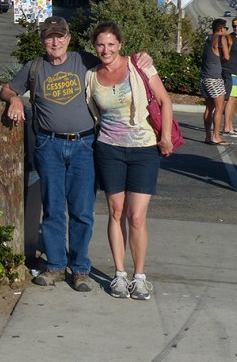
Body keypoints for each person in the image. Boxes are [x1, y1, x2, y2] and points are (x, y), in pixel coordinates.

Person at [0, 16, 152, 292]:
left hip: (84, 145)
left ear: (69, 38)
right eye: (49, 37)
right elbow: (7, 88)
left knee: (82, 211)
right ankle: (55, 265)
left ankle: (80, 269)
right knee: (53, 207)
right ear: (43, 40)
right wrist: (14, 99)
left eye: (60, 36)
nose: (55, 42)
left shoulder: (83, 61)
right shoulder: (34, 67)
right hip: (49, 145)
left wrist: (141, 57)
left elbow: (113, 57)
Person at [85, 21, 174, 300]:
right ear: (94, 46)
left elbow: (165, 101)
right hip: (109, 150)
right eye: (100, 44)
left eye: (111, 44)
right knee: (115, 213)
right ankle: (120, 275)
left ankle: (139, 276)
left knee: (136, 217)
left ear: (120, 45)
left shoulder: (140, 65)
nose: (106, 49)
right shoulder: (91, 75)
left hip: (144, 150)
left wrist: (166, 137)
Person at [200, 18, 230, 146]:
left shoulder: (208, 38)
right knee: (219, 107)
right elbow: (227, 57)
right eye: (225, 28)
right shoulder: (220, 38)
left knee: (209, 107)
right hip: (214, 78)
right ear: (221, 29)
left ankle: (208, 136)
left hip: (204, 77)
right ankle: (216, 136)